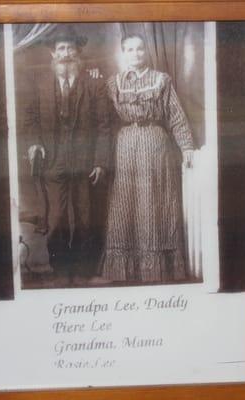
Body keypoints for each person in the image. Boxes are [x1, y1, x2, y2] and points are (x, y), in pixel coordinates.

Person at [100, 33, 194, 283]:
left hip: (155, 144)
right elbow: (103, 122)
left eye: (140, 49)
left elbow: (176, 116)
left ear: (146, 52)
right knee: (125, 200)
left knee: (154, 198)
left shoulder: (161, 81)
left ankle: (157, 269)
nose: (136, 54)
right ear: (123, 53)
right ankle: (124, 271)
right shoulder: (113, 84)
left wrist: (186, 147)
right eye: (130, 50)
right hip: (125, 146)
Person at [26, 25, 111, 283]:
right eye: (60, 49)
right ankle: (60, 269)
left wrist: (100, 162)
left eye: (70, 48)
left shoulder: (93, 84)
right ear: (53, 54)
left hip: (85, 160)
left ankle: (84, 270)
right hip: (54, 159)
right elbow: (31, 121)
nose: (65, 53)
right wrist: (34, 144)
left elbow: (104, 126)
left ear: (78, 52)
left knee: (85, 217)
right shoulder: (39, 84)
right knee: (57, 217)